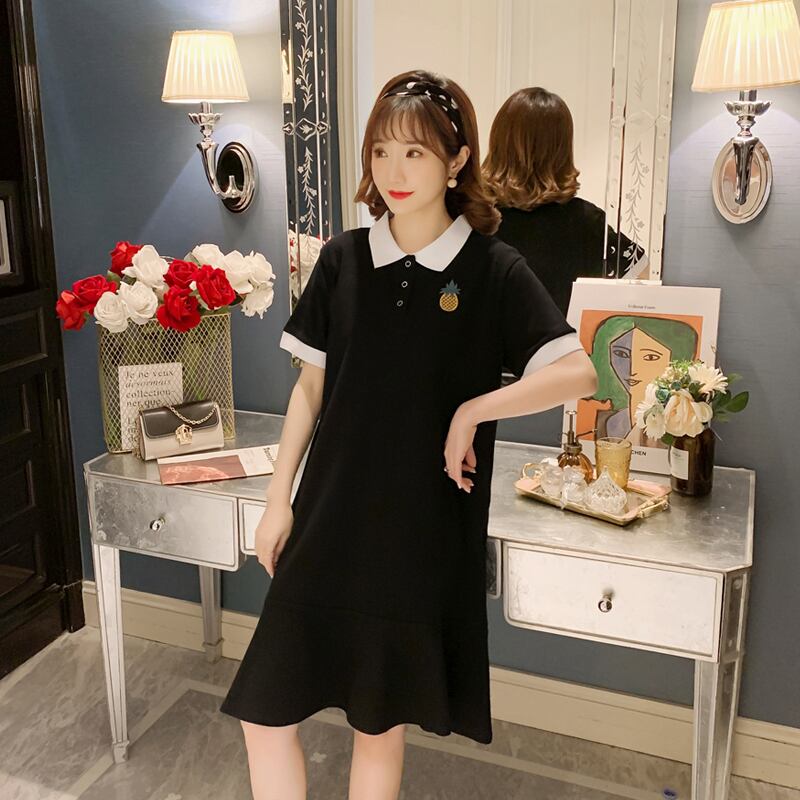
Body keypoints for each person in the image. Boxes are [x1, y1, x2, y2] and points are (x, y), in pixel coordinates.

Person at [219, 69, 598, 800]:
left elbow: (577, 373)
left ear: (457, 162)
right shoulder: (343, 259)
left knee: (378, 722)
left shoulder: (491, 268)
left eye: (416, 153)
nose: (394, 170)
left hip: (418, 531)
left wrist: (472, 411)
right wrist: (276, 499)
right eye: (382, 151)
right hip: (329, 517)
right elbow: (311, 389)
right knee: (264, 714)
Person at [482, 87, 647, 317]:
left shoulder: (474, 216)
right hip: (564, 340)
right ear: (562, 149)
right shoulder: (586, 221)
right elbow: (642, 274)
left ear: (498, 141)